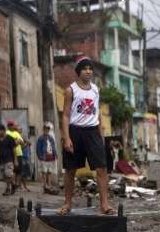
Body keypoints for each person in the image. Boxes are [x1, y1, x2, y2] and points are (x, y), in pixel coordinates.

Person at [60, 56, 113, 215]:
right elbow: (65, 115)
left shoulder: (96, 90)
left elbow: (98, 115)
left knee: (102, 168)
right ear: (78, 72)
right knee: (70, 169)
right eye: (85, 68)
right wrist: (67, 137)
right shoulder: (71, 90)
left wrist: (101, 135)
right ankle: (67, 204)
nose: (88, 71)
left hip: (92, 132)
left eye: (90, 69)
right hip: (75, 131)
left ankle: (105, 205)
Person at [0, 124, 16, 195]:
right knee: (4, 176)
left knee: (8, 174)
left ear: (2, 130)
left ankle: (8, 189)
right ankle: (13, 184)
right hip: (1, 160)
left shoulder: (10, 138)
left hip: (9, 160)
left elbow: (14, 150)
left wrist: (15, 160)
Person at [36, 121, 58, 193]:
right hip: (44, 157)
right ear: (43, 130)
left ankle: (49, 184)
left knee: (50, 171)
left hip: (51, 157)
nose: (47, 130)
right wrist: (39, 156)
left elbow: (53, 147)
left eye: (48, 129)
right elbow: (38, 148)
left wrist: (55, 154)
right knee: (44, 172)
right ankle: (45, 185)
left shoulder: (51, 138)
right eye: (45, 129)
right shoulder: (41, 138)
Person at [5, 120, 26, 192]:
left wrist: (20, 142)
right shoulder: (7, 133)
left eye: (12, 125)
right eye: (10, 125)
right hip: (11, 154)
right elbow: (12, 143)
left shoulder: (16, 133)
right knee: (12, 171)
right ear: (8, 126)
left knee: (19, 171)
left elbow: (22, 143)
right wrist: (17, 142)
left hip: (19, 153)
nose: (11, 126)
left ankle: (17, 184)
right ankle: (12, 184)